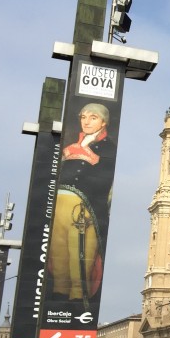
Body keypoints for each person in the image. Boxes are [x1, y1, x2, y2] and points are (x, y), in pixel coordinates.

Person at [50, 103, 115, 305]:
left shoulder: (108, 148)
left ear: (103, 122)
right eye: (83, 117)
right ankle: (59, 294)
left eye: (93, 117)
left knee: (81, 258)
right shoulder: (70, 145)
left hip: (83, 211)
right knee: (58, 253)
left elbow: (104, 182)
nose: (86, 121)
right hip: (60, 207)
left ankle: (78, 299)